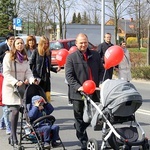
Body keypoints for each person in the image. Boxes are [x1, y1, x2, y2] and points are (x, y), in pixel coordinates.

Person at [65, 33, 104, 150]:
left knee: (94, 117)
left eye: (85, 42)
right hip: (78, 94)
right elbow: (69, 76)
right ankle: (84, 141)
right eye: (81, 43)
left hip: (94, 91)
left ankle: (79, 127)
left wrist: (101, 82)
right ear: (76, 44)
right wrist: (78, 87)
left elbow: (102, 70)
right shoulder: (71, 58)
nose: (83, 45)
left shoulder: (95, 55)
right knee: (79, 117)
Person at [2, 37, 37, 148]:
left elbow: (28, 72)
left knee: (23, 111)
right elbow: (6, 73)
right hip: (11, 88)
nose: (20, 45)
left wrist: (32, 80)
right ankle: (13, 136)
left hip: (21, 88)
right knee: (15, 111)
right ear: (14, 45)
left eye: (21, 43)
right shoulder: (8, 57)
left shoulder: (25, 58)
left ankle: (21, 133)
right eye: (17, 43)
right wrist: (15, 82)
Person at [30, 36, 61, 102]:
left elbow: (48, 66)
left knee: (47, 97)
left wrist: (55, 69)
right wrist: (34, 76)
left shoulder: (48, 52)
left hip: (46, 77)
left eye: (47, 43)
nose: (46, 45)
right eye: (45, 43)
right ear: (41, 44)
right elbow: (31, 64)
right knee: (38, 97)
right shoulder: (36, 51)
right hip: (38, 77)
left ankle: (45, 110)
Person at [0, 32, 15, 135]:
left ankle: (2, 122)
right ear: (7, 40)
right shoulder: (2, 46)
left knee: (11, 103)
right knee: (6, 102)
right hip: (2, 73)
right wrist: (4, 54)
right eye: (11, 40)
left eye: (13, 39)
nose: (12, 41)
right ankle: (8, 127)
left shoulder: (15, 47)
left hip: (12, 74)